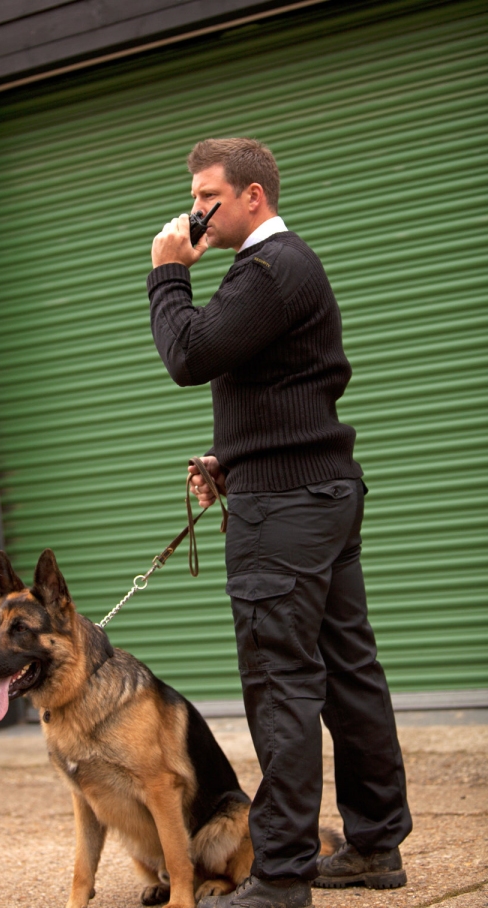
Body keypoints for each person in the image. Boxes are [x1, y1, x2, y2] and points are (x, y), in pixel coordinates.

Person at [147, 137, 412, 908]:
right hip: (313, 491)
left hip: (287, 515)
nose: (195, 212)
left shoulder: (267, 269)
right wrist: (232, 458)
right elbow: (286, 389)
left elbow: (188, 355)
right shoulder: (276, 271)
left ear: (253, 196)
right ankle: (373, 844)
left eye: (208, 198)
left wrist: (166, 272)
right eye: (194, 200)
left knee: (281, 686)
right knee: (349, 675)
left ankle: (283, 875)